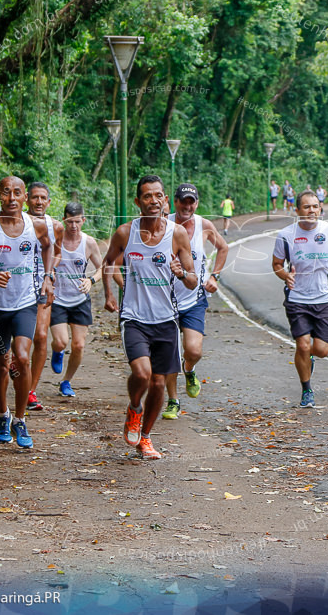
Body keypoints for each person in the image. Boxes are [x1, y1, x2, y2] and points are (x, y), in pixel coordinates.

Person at [103, 175, 198, 460]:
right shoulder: (125, 233)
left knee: (158, 383)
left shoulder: (177, 234)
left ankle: (145, 437)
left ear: (165, 200)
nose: (153, 201)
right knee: (142, 374)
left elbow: (193, 280)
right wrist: (111, 292)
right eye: (147, 196)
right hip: (134, 317)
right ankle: (134, 408)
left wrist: (181, 273)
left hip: (167, 319)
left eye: (158, 196)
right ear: (138, 202)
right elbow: (109, 263)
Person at [0, 177, 54, 449]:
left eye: (16, 193)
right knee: (0, 365)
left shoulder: (37, 226)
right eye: (6, 193)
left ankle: (20, 419)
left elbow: (48, 246)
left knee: (21, 358)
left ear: (24, 198)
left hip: (26, 301)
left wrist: (47, 276)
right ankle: (2, 414)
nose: (11, 198)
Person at [271, 190, 328, 408]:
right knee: (303, 345)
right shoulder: (286, 235)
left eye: (315, 206)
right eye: (306, 207)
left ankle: (308, 359)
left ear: (320, 208)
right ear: (297, 210)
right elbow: (277, 264)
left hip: (324, 298)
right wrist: (284, 275)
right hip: (297, 298)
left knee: (321, 350)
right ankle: (307, 389)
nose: (312, 210)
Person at [161, 184, 229, 420]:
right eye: (182, 201)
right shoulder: (163, 224)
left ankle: (188, 369)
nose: (187, 207)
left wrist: (214, 276)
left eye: (191, 202)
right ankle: (173, 400)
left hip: (194, 298)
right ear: (175, 202)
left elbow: (223, 248)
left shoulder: (204, 226)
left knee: (193, 350)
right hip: (165, 300)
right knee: (170, 353)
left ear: (196, 204)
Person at [49, 202, 103, 397]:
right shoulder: (57, 240)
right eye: (70, 222)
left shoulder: (88, 243)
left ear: (83, 220)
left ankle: (66, 381)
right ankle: (57, 352)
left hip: (79, 299)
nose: (73, 226)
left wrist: (91, 281)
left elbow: (101, 268)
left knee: (79, 345)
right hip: (58, 299)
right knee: (61, 341)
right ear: (64, 220)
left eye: (77, 222)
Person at [26, 182, 64, 411]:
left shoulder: (55, 226)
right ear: (27, 200)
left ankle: (31, 391)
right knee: (22, 337)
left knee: (41, 335)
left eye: (43, 198)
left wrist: (49, 274)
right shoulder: (16, 221)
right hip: (17, 285)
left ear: (49, 202)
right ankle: (16, 365)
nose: (39, 202)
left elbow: (57, 253)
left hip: (43, 284)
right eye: (34, 198)